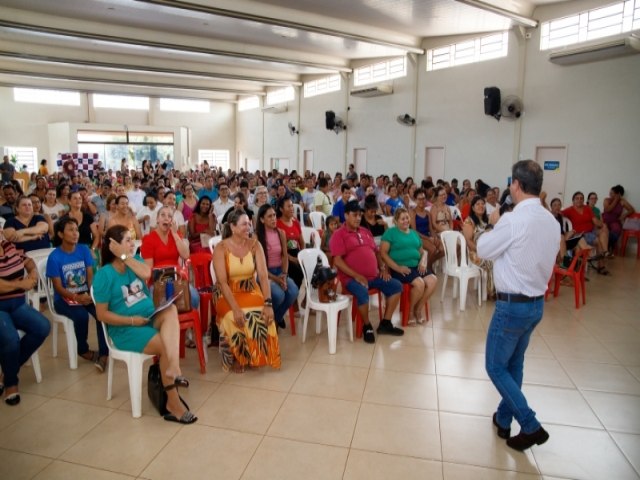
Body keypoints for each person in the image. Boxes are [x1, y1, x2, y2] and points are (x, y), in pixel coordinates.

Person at [477, 159, 559, 451]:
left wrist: (494, 222)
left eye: (511, 182)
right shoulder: (550, 220)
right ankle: (502, 418)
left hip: (512, 306)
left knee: (495, 366)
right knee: (515, 364)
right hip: (536, 304)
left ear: (516, 185)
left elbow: (484, 249)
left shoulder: (513, 219)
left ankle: (530, 423)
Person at [93, 225, 196, 424]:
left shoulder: (134, 262)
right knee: (164, 344)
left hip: (148, 316)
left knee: (171, 309)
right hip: (126, 328)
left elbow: (147, 273)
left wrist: (124, 256)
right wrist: (132, 320)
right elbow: (101, 315)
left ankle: (173, 367)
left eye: (132, 239)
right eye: (128, 241)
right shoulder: (103, 275)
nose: (133, 243)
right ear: (114, 246)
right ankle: (173, 403)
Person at [211, 209, 281, 373]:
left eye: (249, 223)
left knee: (261, 315)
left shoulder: (255, 245)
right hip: (226, 292)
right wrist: (235, 308)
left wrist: (268, 303)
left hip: (250, 289)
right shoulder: (221, 248)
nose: (248, 227)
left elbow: (263, 276)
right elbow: (221, 282)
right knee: (234, 317)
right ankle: (237, 356)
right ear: (233, 227)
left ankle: (254, 355)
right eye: (244, 224)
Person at [330, 200, 404, 344]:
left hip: (374, 276)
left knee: (396, 286)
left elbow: (377, 253)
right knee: (362, 291)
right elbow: (337, 261)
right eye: (354, 215)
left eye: (359, 215)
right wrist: (356, 275)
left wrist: (382, 268)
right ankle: (367, 326)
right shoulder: (339, 235)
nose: (358, 218)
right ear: (345, 215)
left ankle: (386, 323)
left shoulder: (365, 231)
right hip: (351, 279)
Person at [46, 217, 108, 371]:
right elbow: (58, 287)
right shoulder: (54, 257)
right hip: (64, 298)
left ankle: (104, 354)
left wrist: (88, 293)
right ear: (60, 234)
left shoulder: (83, 249)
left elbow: (89, 275)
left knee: (102, 312)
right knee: (81, 316)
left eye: (76, 230)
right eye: (70, 230)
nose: (75, 233)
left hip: (85, 293)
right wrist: (76, 297)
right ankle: (83, 350)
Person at [0, 227, 50, 406]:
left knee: (43, 327)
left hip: (18, 303)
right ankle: (11, 383)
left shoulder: (7, 246)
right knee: (11, 340)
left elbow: (27, 261)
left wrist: (33, 274)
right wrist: (20, 284)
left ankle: (7, 371)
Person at [380, 208, 437, 325]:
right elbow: (383, 253)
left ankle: (418, 309)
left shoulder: (414, 233)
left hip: (416, 266)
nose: (406, 221)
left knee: (433, 280)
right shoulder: (390, 233)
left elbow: (423, 252)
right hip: (400, 268)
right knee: (420, 284)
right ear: (396, 221)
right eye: (402, 219)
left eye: (407, 218)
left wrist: (423, 262)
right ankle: (410, 311)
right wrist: (397, 268)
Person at [255, 204, 299, 329]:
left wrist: (284, 275)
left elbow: (285, 256)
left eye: (274, 215)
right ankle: (272, 318)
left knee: (293, 291)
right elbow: (259, 266)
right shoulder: (257, 236)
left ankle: (275, 318)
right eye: (269, 216)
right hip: (265, 274)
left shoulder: (281, 233)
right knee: (279, 295)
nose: (274, 219)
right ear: (262, 220)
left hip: (280, 271)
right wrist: (275, 279)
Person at [562, 191, 609, 274]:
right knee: (597, 241)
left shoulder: (587, 208)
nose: (579, 200)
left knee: (603, 233)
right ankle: (599, 263)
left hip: (590, 233)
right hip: (579, 234)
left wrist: (603, 225)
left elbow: (595, 221)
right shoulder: (569, 210)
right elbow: (559, 213)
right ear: (573, 200)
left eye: (581, 198)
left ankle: (605, 253)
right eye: (577, 198)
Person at [462, 196, 496, 299]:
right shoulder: (469, 221)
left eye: (482, 204)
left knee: (500, 259)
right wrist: (481, 250)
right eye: (478, 204)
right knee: (491, 262)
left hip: (488, 250)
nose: (481, 206)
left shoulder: (488, 220)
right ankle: (491, 292)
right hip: (475, 253)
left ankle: (500, 290)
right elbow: (468, 241)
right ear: (472, 208)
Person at [410, 188, 443, 272]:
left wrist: (435, 238)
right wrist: (429, 239)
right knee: (432, 249)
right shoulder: (412, 212)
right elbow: (414, 231)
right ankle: (428, 268)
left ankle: (428, 263)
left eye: (424, 198)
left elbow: (431, 229)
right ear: (415, 200)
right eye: (419, 199)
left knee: (443, 249)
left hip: (427, 236)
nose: (422, 201)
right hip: (417, 237)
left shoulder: (427, 213)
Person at [276, 197, 305, 289]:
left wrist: (301, 255)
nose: (292, 208)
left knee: (312, 267)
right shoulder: (277, 224)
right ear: (281, 209)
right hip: (285, 255)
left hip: (298, 253)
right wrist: (293, 259)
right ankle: (295, 297)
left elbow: (302, 242)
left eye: (292, 205)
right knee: (298, 271)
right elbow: (279, 249)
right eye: (288, 206)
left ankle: (305, 296)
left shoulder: (296, 222)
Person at [603, 185, 635, 252]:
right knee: (604, 230)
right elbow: (608, 209)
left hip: (615, 221)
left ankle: (609, 245)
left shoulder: (622, 201)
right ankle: (608, 247)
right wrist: (616, 200)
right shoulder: (606, 200)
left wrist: (624, 215)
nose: (610, 194)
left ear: (618, 194)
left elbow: (631, 209)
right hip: (605, 220)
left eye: (612, 193)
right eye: (610, 192)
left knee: (617, 229)